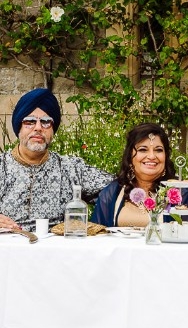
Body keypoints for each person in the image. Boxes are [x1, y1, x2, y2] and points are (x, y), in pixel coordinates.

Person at [0, 87, 111, 231]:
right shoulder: (2, 166)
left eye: (46, 122)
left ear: (53, 129)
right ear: (19, 127)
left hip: (56, 249)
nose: (38, 128)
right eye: (30, 121)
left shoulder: (71, 168)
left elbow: (116, 188)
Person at [91, 122, 188, 227]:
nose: (151, 156)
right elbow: (96, 234)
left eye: (158, 150)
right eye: (143, 150)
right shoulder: (113, 192)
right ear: (130, 157)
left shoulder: (179, 194)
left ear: (166, 157)